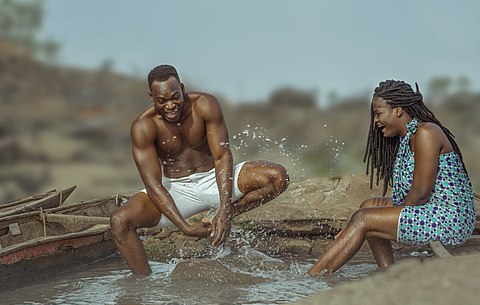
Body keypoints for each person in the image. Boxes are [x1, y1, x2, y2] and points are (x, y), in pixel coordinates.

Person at [110, 65, 289, 275]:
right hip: (176, 189)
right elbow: (153, 184)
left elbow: (222, 156)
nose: (170, 105)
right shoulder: (143, 126)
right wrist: (184, 227)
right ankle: (144, 284)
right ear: (151, 97)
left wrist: (225, 210)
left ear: (183, 88)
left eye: (175, 97)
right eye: (162, 101)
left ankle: (223, 216)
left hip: (214, 179)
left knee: (278, 177)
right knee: (119, 221)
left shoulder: (205, 104)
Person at [307, 79, 476, 276]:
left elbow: (421, 193)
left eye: (378, 114)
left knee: (364, 219)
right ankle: (388, 272)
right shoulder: (407, 138)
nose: (375, 121)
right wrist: (376, 217)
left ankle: (310, 278)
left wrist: (375, 220)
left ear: (398, 110)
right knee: (369, 206)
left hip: (449, 219)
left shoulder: (427, 132)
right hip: (432, 210)